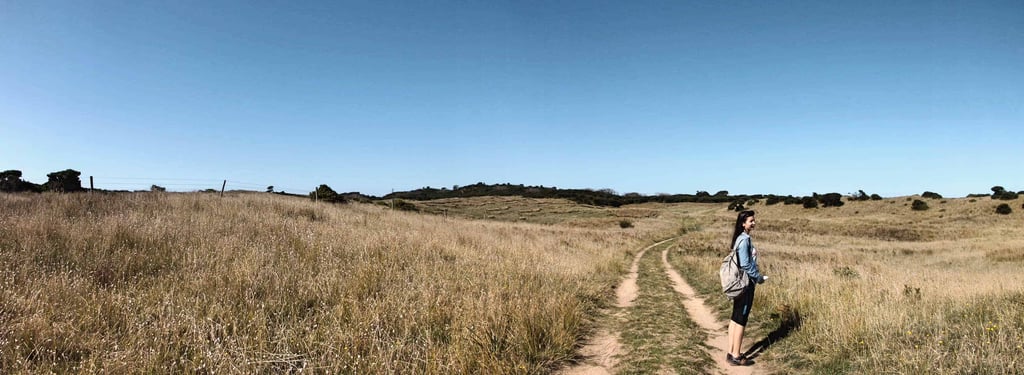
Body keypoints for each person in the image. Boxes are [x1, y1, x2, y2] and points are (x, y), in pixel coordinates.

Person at [727, 210, 766, 366]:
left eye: (754, 220)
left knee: (735, 318)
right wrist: (758, 277)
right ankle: (736, 355)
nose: (754, 223)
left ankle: (731, 352)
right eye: (751, 221)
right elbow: (745, 264)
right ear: (743, 223)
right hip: (745, 284)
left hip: (738, 284)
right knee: (741, 319)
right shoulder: (745, 240)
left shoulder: (739, 239)